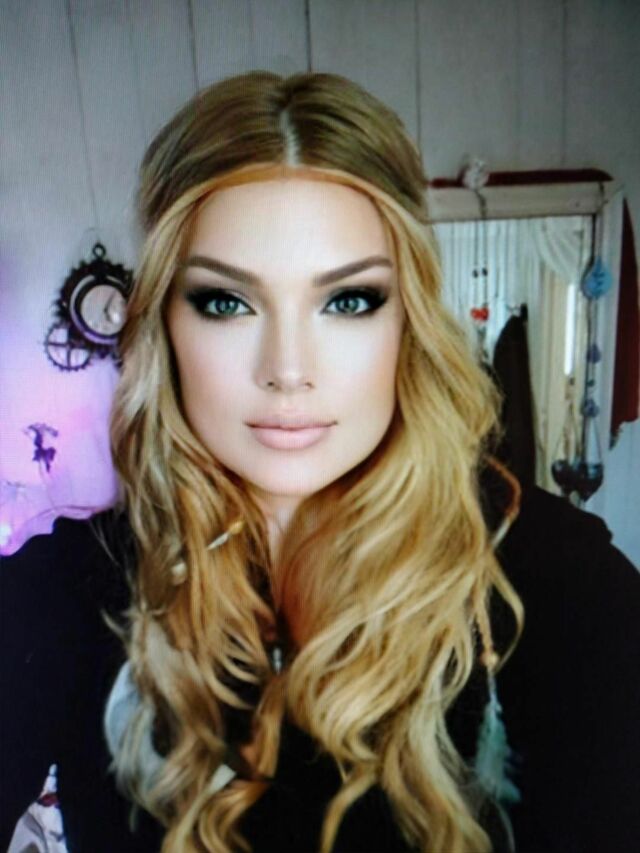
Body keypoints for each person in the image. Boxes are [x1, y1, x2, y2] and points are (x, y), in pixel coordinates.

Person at [1, 70, 639, 853]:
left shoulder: (557, 585)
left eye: (347, 300)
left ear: (407, 318)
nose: (288, 370)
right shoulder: (70, 591)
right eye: (227, 302)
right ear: (165, 321)